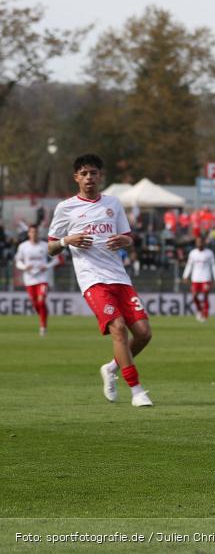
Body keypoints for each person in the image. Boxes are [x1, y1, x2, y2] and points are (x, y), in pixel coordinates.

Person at [47, 153, 153, 407]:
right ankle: (137, 390)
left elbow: (128, 238)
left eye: (93, 173)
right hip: (92, 280)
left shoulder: (113, 204)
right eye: (84, 173)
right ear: (76, 177)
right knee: (118, 327)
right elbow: (50, 247)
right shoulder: (66, 208)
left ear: (100, 176)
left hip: (120, 278)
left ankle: (111, 367)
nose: (89, 178)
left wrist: (125, 240)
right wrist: (66, 240)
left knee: (144, 334)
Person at [15, 224, 61, 336]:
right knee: (35, 304)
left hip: (42, 278)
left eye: (36, 232)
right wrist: (24, 267)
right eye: (32, 232)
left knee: (41, 301)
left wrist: (47, 266)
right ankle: (43, 315)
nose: (34, 234)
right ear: (28, 233)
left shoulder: (45, 245)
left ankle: (43, 326)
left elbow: (57, 259)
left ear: (38, 233)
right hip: (29, 279)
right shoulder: (23, 246)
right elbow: (18, 261)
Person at [182, 236, 215, 323]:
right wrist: (185, 276)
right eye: (198, 242)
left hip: (206, 278)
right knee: (194, 296)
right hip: (195, 278)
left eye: (201, 242)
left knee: (205, 295)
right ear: (196, 243)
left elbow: (213, 266)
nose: (199, 243)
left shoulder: (209, 253)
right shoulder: (192, 253)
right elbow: (189, 265)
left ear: (204, 243)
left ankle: (205, 315)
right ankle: (199, 310)